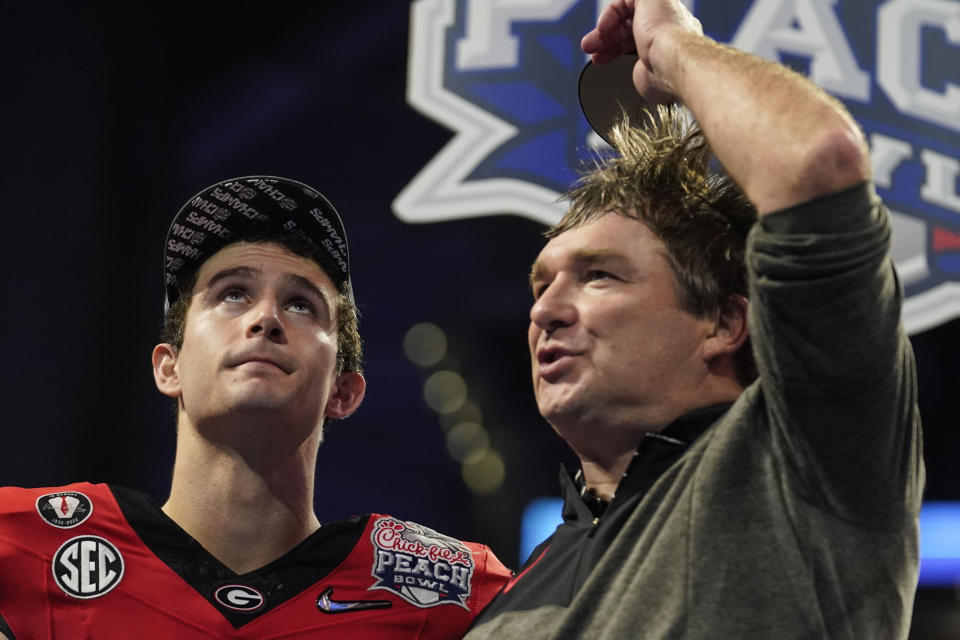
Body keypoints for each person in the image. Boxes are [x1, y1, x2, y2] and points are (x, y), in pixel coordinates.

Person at [465, 0, 924, 638]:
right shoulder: (513, 599)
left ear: (723, 323)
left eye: (599, 276)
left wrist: (670, 46)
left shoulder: (801, 461)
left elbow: (817, 161)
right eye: (542, 284)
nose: (545, 309)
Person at [0, 176, 510, 639]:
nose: (265, 318)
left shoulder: (455, 595)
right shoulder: (22, 549)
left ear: (344, 391)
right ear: (168, 367)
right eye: (232, 294)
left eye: (300, 304)